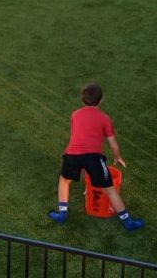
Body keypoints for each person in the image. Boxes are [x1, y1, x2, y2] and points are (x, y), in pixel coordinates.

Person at [48, 83, 143, 231]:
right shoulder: (104, 118)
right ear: (100, 100)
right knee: (110, 189)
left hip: (72, 154)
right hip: (93, 157)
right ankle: (128, 222)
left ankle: (61, 215)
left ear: (82, 99)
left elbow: (76, 134)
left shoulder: (75, 114)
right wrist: (117, 157)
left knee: (64, 181)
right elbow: (112, 143)